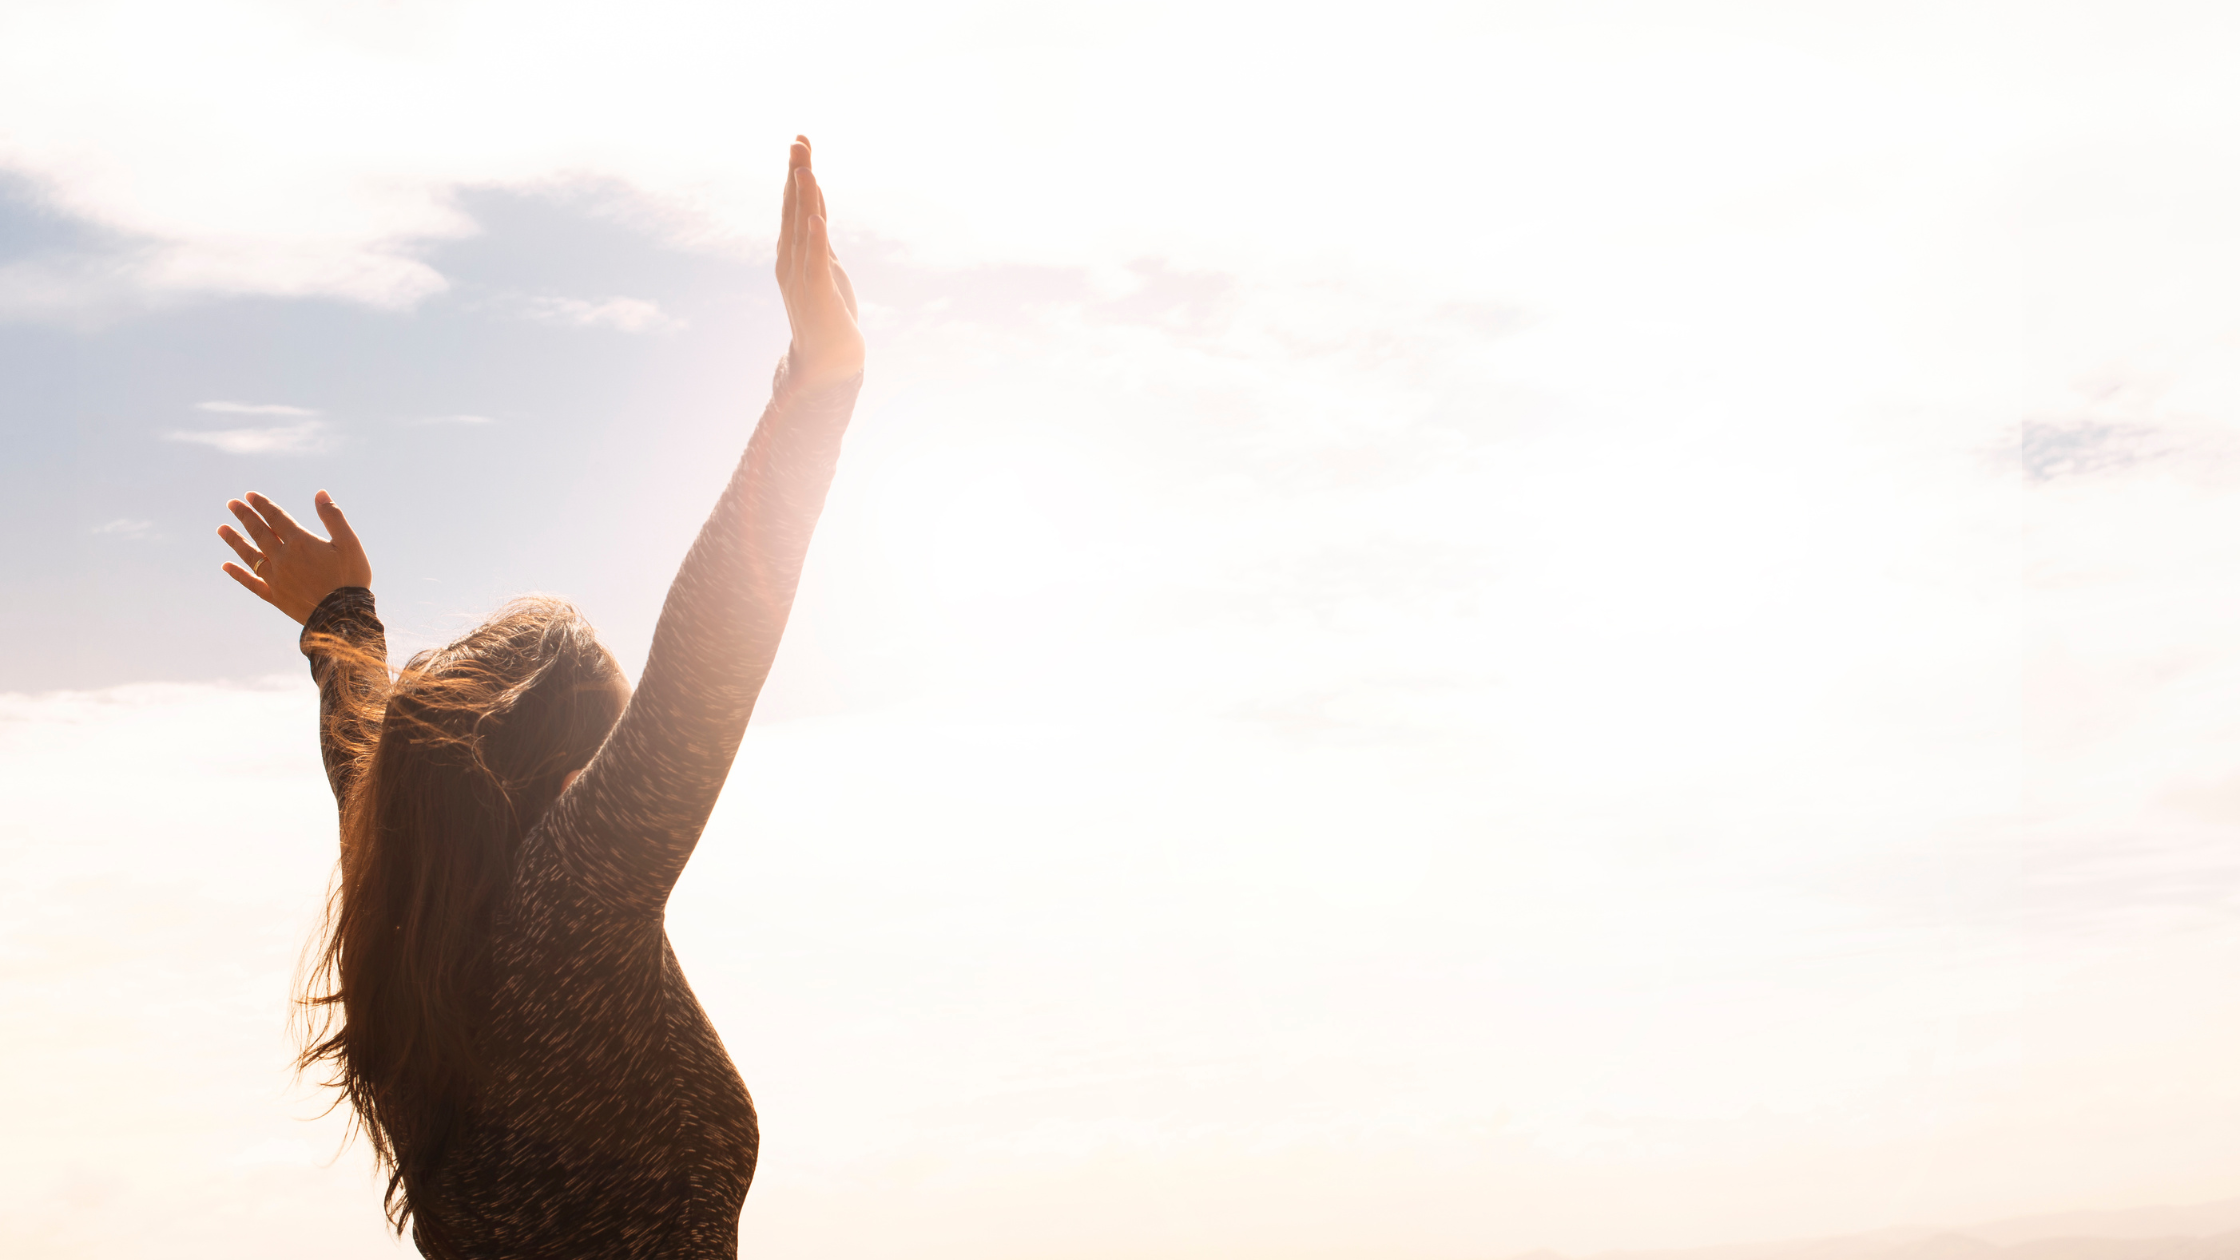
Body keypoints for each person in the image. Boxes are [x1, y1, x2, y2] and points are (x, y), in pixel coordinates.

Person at [210, 137, 865, 1260]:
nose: (612, 781)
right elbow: (704, 664)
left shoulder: (409, 930)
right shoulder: (564, 916)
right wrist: (815, 390)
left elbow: (367, 756)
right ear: (557, 769)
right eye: (606, 754)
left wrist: (346, 620)